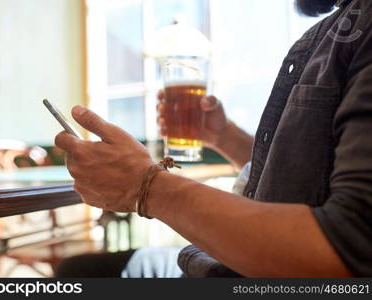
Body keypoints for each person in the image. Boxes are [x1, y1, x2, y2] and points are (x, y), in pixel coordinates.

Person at [54, 0, 372, 277]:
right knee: (80, 270)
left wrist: (146, 186)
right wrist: (224, 136)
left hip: (234, 267)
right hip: (218, 258)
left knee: (80, 273)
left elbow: (347, 247)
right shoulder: (342, 26)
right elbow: (301, 181)